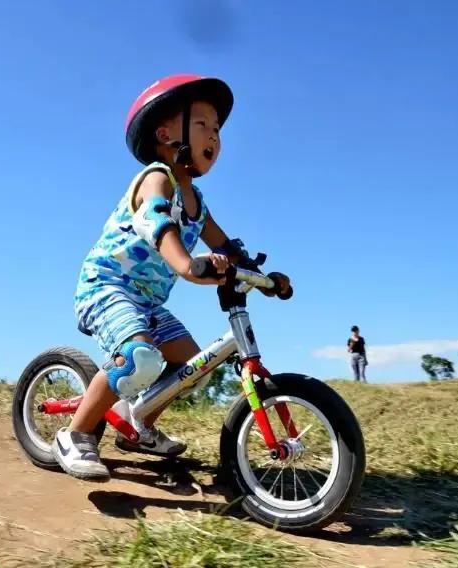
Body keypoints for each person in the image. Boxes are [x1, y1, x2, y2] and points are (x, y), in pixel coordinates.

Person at [55, 74, 292, 481]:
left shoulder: (198, 201)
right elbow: (155, 220)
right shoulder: (156, 177)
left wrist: (263, 276)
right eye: (203, 125)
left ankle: (137, 422)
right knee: (138, 358)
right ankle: (76, 436)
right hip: (108, 285)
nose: (214, 137)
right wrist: (186, 263)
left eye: (217, 130)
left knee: (191, 366)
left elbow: (227, 246)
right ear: (165, 133)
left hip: (147, 302)